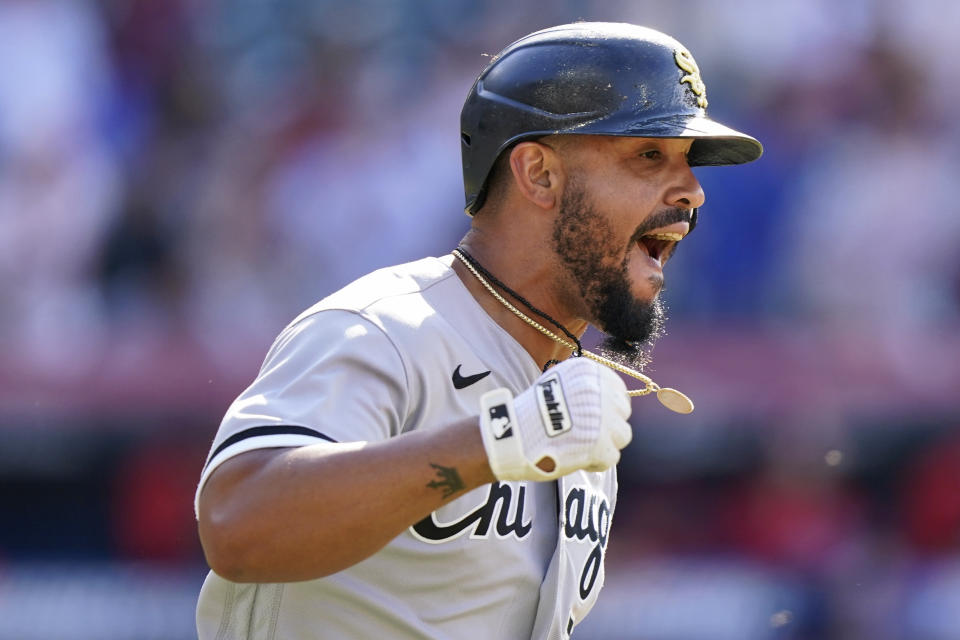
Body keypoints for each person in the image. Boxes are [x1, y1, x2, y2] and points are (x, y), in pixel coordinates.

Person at [195, 22, 762, 639]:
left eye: (688, 163)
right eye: (650, 156)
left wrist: (518, 434)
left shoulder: (572, 403)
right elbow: (237, 524)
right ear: (539, 174)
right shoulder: (385, 328)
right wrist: (498, 440)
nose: (693, 192)